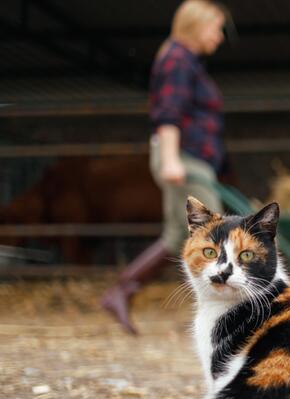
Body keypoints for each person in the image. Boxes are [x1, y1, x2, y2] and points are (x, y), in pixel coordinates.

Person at [101, 0, 230, 334]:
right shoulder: (177, 59)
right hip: (183, 158)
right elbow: (168, 113)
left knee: (178, 236)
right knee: (213, 234)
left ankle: (122, 290)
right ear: (197, 25)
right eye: (215, 28)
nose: (219, 36)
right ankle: (219, 316)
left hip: (189, 158)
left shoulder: (185, 61)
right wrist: (172, 159)